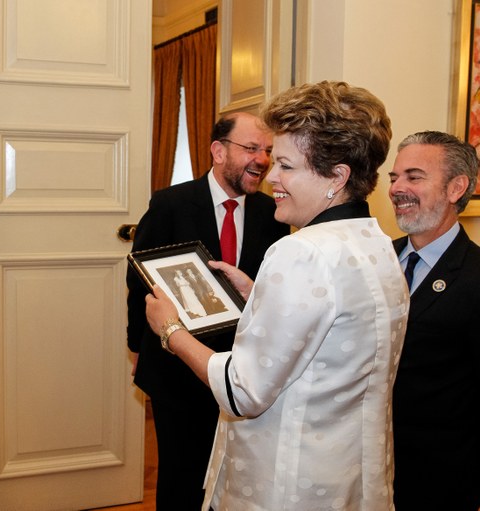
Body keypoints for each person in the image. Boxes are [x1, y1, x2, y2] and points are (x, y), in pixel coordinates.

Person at [145, 81, 409, 510]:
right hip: (349, 478)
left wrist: (171, 329)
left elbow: (241, 392)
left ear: (337, 177)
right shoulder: (378, 244)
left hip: (286, 483)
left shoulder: (300, 251)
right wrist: (258, 298)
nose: (272, 177)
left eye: (285, 165)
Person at [126, 112, 289, 509]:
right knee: (183, 477)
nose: (263, 160)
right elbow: (139, 281)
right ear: (219, 151)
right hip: (177, 371)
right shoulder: (171, 204)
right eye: (251, 148)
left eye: (267, 151)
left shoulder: (275, 213)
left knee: (234, 477)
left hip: (242, 374)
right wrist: (134, 347)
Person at [388, 131, 480, 511]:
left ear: (456, 187)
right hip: (360, 471)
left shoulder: (476, 276)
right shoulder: (375, 260)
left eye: (413, 176)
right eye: (393, 178)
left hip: (437, 482)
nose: (397, 189)